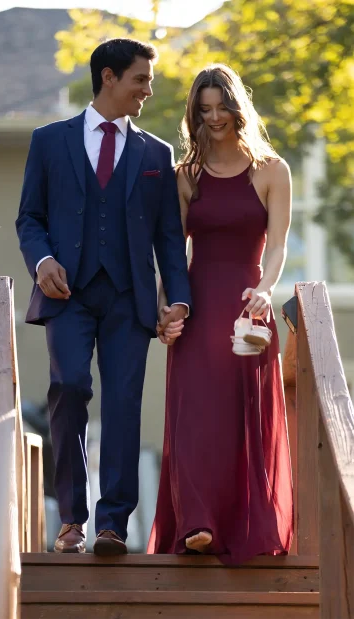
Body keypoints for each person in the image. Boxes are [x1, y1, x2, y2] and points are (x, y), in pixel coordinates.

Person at [16, 38, 191, 556]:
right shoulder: (50, 141)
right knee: (69, 388)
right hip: (66, 293)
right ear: (109, 77)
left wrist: (176, 297)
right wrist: (43, 261)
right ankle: (72, 519)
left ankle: (113, 523)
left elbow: (168, 239)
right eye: (141, 78)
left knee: (122, 404)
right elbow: (30, 218)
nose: (148, 89)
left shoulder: (157, 153)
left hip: (128, 298)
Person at [147, 64, 293, 563]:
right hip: (200, 303)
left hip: (247, 309)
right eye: (203, 110)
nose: (214, 118)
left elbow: (277, 248)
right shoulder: (185, 177)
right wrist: (168, 306)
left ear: (238, 108)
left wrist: (266, 290)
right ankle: (197, 523)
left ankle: (243, 524)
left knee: (242, 419)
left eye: (221, 108)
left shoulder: (273, 170)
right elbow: (173, 252)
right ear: (194, 113)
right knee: (196, 417)